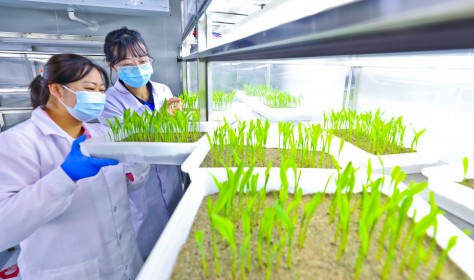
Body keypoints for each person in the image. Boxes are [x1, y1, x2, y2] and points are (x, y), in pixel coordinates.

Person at [0, 53, 148, 280]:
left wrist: (136, 165)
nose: (99, 97)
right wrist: (64, 177)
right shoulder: (17, 142)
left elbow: (129, 189)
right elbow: (4, 229)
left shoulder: (103, 134)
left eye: (101, 91)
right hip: (69, 271)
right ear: (57, 90)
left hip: (125, 262)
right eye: (90, 89)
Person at [99, 26, 184, 259]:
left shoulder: (163, 90)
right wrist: (163, 119)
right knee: (149, 249)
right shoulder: (109, 102)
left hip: (169, 176)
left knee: (178, 242)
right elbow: (127, 142)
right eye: (127, 64)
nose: (137, 68)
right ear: (113, 67)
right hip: (139, 186)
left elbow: (172, 133)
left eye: (143, 60)